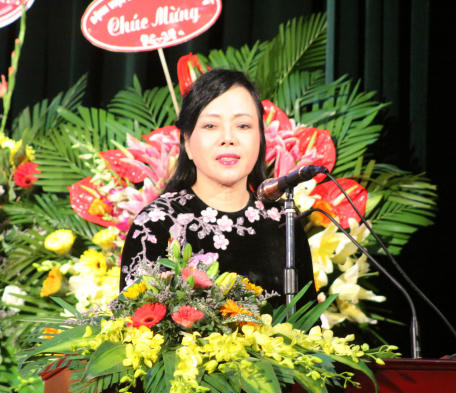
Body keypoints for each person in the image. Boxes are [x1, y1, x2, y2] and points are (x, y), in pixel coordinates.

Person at [119, 69, 316, 309]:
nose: (228, 138)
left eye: (243, 125)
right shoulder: (156, 224)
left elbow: (308, 321)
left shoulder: (282, 220)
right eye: (211, 125)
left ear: (260, 139)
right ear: (187, 142)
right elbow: (135, 322)